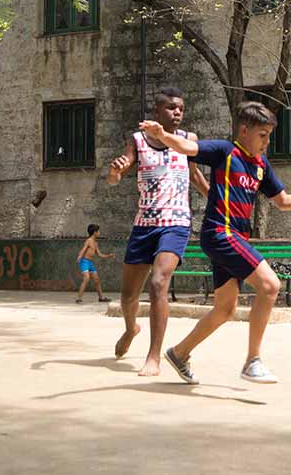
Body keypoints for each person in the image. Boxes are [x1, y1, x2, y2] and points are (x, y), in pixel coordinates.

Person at [141, 101, 291, 384]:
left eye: (269, 135)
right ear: (244, 130)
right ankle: (252, 361)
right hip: (220, 233)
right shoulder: (224, 151)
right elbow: (186, 148)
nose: (266, 142)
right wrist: (162, 135)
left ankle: (180, 353)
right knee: (270, 285)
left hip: (235, 238)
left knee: (225, 309)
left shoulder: (260, 165)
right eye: (262, 135)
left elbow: (281, 201)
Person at [106, 87, 210, 376]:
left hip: (176, 223)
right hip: (144, 225)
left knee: (158, 283)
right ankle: (131, 329)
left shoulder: (188, 140)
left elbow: (196, 175)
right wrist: (115, 171)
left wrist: (220, 202)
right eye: (172, 108)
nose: (178, 112)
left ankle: (154, 357)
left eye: (181, 108)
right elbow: (116, 177)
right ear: (157, 111)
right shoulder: (138, 140)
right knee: (128, 297)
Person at [75, 224, 114, 304]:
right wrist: (79, 256)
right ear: (94, 232)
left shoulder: (95, 243)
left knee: (97, 280)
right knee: (86, 278)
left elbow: (99, 254)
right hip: (84, 261)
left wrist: (108, 256)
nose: (99, 232)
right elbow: (84, 249)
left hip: (90, 263)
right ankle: (79, 298)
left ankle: (101, 298)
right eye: (98, 231)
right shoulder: (88, 241)